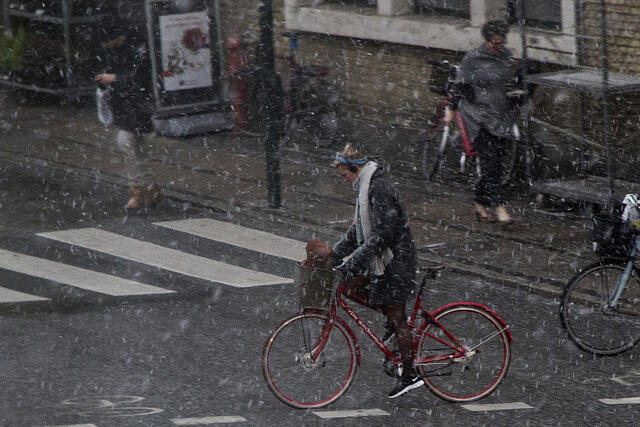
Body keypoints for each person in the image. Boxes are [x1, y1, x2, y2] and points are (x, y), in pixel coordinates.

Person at [331, 143, 420, 398]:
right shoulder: (365, 187)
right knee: (348, 286)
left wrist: (352, 262)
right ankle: (393, 324)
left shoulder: (378, 188)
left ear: (354, 167)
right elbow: (357, 231)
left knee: (397, 316)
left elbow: (382, 236)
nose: (343, 179)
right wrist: (334, 255)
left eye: (344, 174)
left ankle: (411, 374)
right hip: (385, 260)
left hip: (397, 261)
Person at [447, 20, 519, 225]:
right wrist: (452, 110)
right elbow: (460, 85)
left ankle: (480, 202)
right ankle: (500, 208)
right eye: (495, 43)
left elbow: (509, 82)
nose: (499, 47)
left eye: (501, 43)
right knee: (490, 162)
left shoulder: (506, 57)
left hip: (500, 116)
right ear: (486, 41)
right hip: (477, 117)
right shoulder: (473, 59)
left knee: (494, 162)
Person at [95, 5, 162, 210]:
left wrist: (113, 79)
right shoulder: (116, 49)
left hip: (139, 104)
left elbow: (139, 77)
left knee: (126, 141)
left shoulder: (138, 48)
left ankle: (139, 190)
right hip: (127, 104)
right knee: (135, 148)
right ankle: (149, 189)